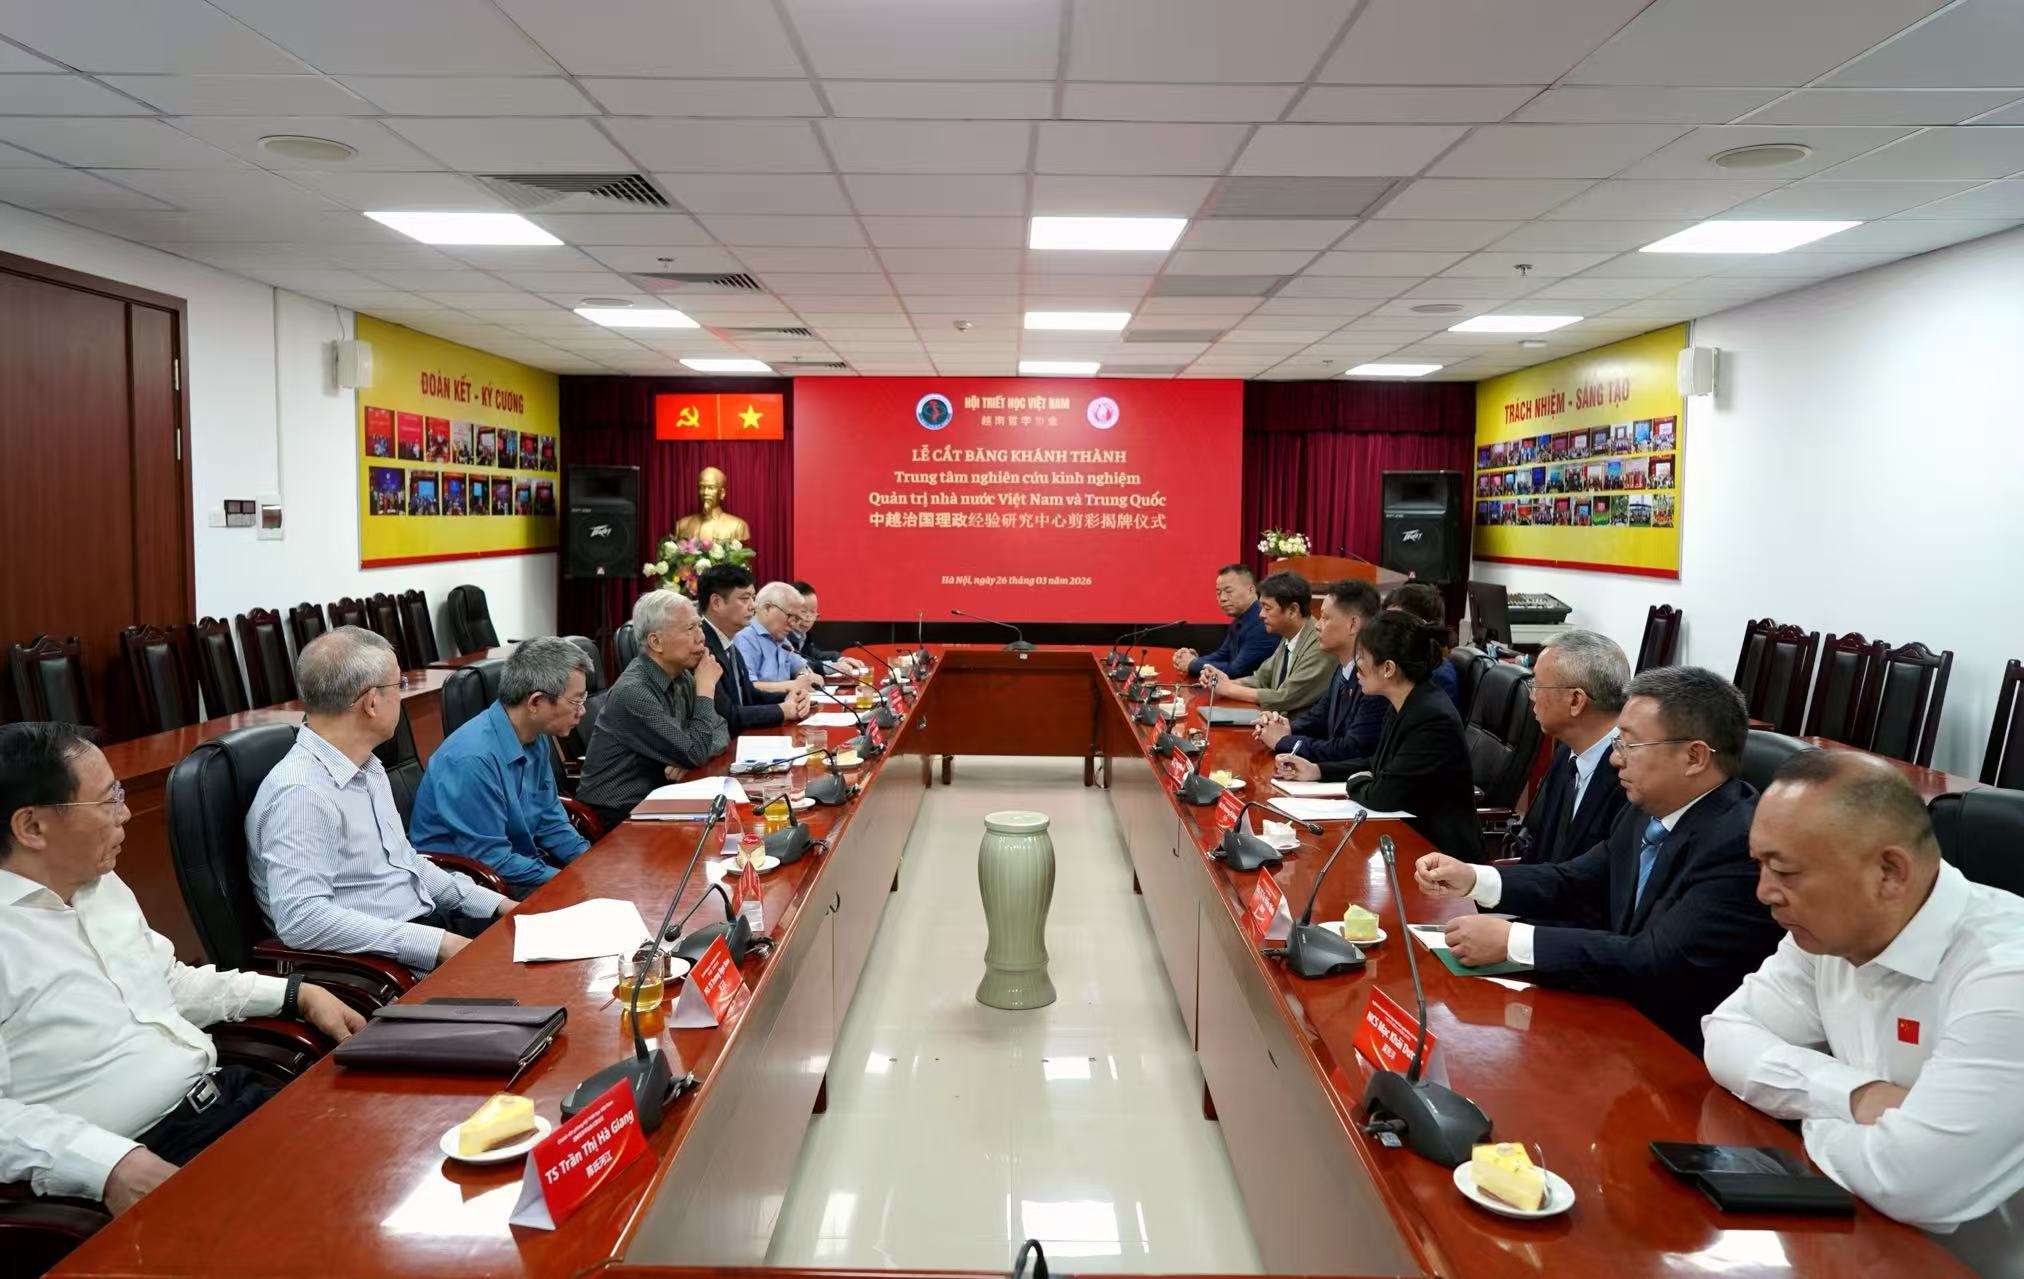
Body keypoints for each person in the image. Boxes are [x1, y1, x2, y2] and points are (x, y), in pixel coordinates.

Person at [0, 723, 362, 1215]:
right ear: (32, 827)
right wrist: (105, 1164)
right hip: (140, 1163)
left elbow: (168, 983)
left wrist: (295, 994)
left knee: (374, 1166)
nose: (126, 813)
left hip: (222, 1103)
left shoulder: (100, 884)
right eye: (107, 801)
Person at [1705, 751, 2024, 1278]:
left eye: (1784, 871)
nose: (1763, 893)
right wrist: (1856, 1096)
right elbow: (1724, 1036)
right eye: (1759, 865)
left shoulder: (2007, 975)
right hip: (1852, 1238)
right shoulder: (1827, 935)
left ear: (1889, 872)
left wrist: (1803, 1112)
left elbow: (1915, 1182)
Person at [1414, 666, 1780, 1052]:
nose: (1615, 760)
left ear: (1694, 757)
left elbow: (1657, 958)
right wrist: (1474, 878)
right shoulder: (1646, 811)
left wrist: (1514, 941)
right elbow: (1577, 879)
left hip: (1680, 1049)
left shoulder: (1740, 846)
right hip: (1616, 1017)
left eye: (1629, 745)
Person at [247, 628, 511, 974]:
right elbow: (302, 919)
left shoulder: (367, 767)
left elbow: (406, 864)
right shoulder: (302, 794)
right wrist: (437, 944)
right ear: (371, 702)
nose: (402, 695)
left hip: (422, 931)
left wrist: (499, 905)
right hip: (379, 967)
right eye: (399, 685)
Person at [1275, 610, 1483, 861]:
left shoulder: (1431, 717)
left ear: (1388, 668)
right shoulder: (1403, 702)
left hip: (1440, 852)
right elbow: (1376, 765)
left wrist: (1354, 783)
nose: (1357, 664)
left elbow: (1383, 795)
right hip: (1406, 835)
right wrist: (1317, 770)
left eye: (1362, 656)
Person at [407, 637, 594, 899]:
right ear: (535, 702)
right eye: (576, 701)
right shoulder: (472, 759)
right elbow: (492, 861)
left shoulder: (535, 735)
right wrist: (572, 879)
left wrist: (592, 863)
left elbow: (549, 819)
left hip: (521, 865)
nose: (582, 711)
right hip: (474, 885)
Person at [578, 590, 732, 831]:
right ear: (656, 642)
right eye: (689, 629)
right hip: (617, 815)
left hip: (660, 799)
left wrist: (688, 757)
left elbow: (721, 729)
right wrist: (705, 690)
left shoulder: (681, 675)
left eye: (699, 626)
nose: (701, 637)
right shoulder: (634, 692)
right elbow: (695, 752)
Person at [1511, 630, 1631, 869]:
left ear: (1576, 700)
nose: (1532, 696)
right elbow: (1540, 854)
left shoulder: (1629, 775)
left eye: (1537, 685)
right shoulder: (1568, 750)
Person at [1250, 579, 1387, 765]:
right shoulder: (1342, 669)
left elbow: (1351, 749)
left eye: (1325, 618)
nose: (1317, 625)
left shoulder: (1374, 681)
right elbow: (1317, 719)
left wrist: (1283, 741)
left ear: (1353, 624)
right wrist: (1280, 726)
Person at [1197, 571, 1333, 717]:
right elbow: (1261, 679)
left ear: (1292, 610)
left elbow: (1285, 697)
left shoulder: (1320, 644)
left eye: (1267, 608)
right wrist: (1223, 682)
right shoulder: (1289, 635)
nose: (1261, 614)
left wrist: (1229, 689)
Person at [698, 564, 810, 732]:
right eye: (745, 599)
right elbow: (726, 716)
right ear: (716, 602)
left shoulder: (729, 644)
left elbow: (749, 695)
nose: (753, 606)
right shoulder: (701, 647)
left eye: (753, 598)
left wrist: (791, 697)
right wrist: (782, 710)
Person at [1170, 564, 1275, 680]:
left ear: (1251, 590)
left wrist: (1192, 664)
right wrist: (1194, 660)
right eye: (1219, 593)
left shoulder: (1262, 621)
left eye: (1228, 591)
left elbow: (1237, 671)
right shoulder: (1239, 618)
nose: (1222, 598)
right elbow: (1223, 654)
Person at [733, 580, 823, 694]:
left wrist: (804, 676)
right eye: (790, 616)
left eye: (796, 619)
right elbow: (747, 688)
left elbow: (803, 669)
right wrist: (795, 685)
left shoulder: (782, 641)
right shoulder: (744, 638)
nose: (793, 624)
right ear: (767, 608)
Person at [1385, 582, 1459, 704]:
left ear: (1421, 625)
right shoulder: (1404, 663)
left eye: (1393, 624)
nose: (1384, 631)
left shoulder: (1436, 676)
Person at [787, 580, 868, 678]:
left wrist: (841, 659)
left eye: (813, 612)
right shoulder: (782, 636)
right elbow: (797, 664)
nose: (807, 619)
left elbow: (815, 655)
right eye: (803, 612)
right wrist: (831, 667)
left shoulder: (802, 634)